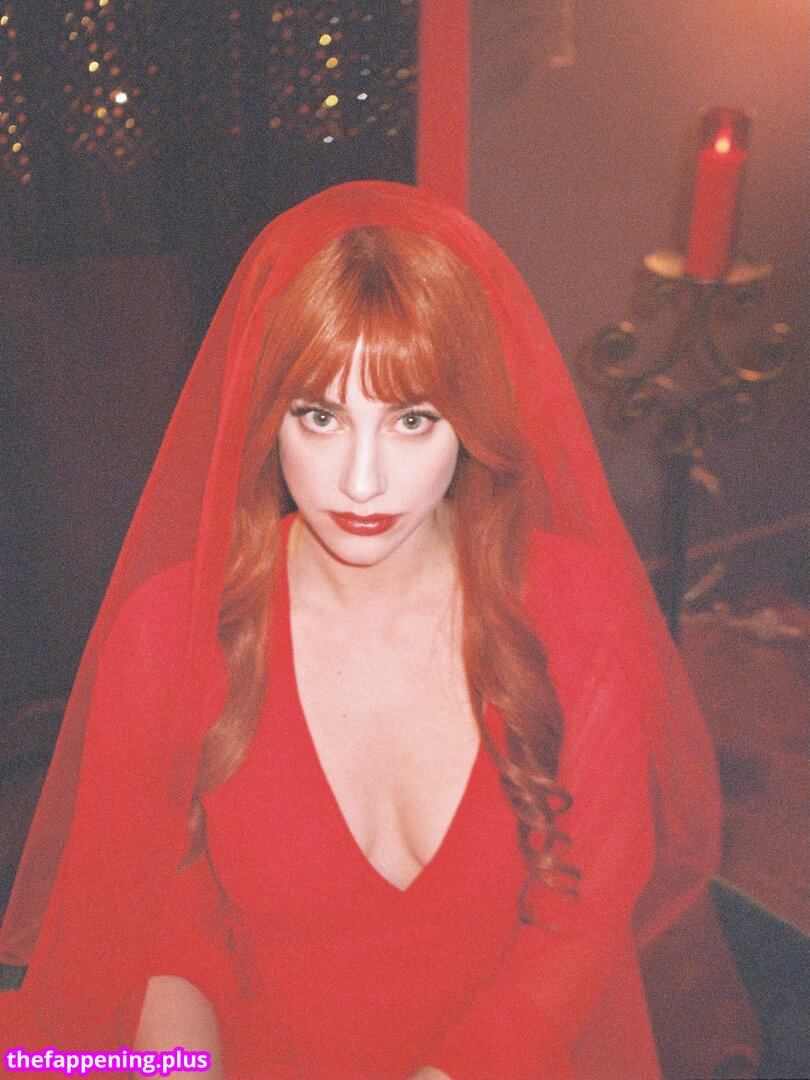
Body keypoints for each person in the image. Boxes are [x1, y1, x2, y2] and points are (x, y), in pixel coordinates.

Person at [0, 182, 720, 1079]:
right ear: (266, 416)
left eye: (412, 420)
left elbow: (582, 924)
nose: (363, 481)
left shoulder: (579, 610)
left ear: (471, 422)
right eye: (321, 416)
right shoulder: (168, 637)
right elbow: (163, 934)